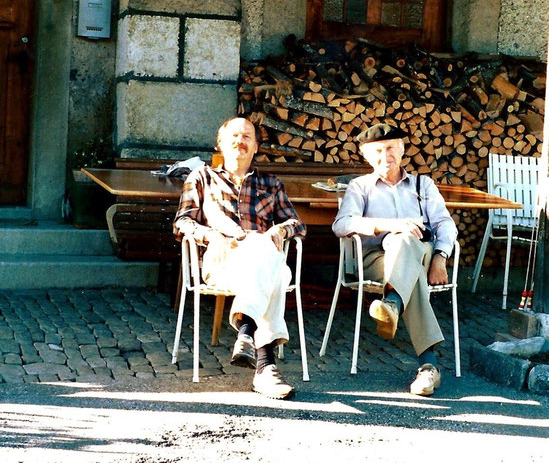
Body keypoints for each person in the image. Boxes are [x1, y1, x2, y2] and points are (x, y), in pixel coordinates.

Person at [173, 116, 306, 399]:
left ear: (256, 146)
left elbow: (298, 224)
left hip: (263, 260)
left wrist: (281, 230)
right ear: (221, 144)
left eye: (247, 136)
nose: (240, 141)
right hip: (222, 262)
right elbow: (182, 222)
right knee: (277, 272)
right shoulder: (202, 178)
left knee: (266, 255)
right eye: (234, 136)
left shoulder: (271, 183)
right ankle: (265, 365)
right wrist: (212, 236)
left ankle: (247, 335)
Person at [332, 123, 457, 396]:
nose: (384, 156)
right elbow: (341, 225)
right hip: (376, 260)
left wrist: (440, 258)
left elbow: (445, 224)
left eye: (390, 148)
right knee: (404, 255)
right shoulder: (359, 187)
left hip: (422, 255)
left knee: (405, 244)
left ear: (401, 150)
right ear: (366, 156)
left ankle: (392, 303)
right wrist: (388, 224)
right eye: (376, 151)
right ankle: (428, 366)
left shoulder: (424, 185)